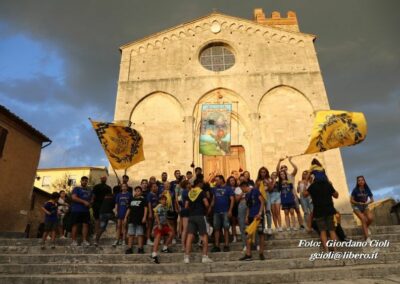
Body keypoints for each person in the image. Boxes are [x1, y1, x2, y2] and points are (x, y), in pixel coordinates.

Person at [303, 177, 339, 251]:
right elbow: (336, 195)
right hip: (329, 209)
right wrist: (331, 185)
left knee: (322, 231)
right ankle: (335, 250)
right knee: (332, 230)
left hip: (318, 210)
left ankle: (326, 250)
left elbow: (304, 194)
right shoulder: (328, 185)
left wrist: (305, 185)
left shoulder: (312, 186)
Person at [184, 179, 213, 263]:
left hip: (191, 216)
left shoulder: (189, 192)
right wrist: (207, 210)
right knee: (204, 235)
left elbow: (186, 206)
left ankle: (186, 257)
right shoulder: (201, 192)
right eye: (202, 183)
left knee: (190, 236)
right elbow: (206, 203)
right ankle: (204, 256)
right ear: (199, 183)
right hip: (200, 215)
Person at [239, 184, 266, 261]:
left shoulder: (255, 191)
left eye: (242, 189)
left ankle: (261, 253)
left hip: (258, 216)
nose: (242, 191)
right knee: (248, 234)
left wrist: (260, 213)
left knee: (261, 234)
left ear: (245, 186)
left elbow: (262, 201)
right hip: (251, 216)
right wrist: (247, 216)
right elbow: (248, 207)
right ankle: (248, 254)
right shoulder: (247, 195)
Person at [277, 157, 304, 230]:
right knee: (287, 212)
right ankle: (289, 226)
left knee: (297, 210)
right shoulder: (280, 177)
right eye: (282, 168)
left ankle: (301, 225)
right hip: (285, 197)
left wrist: (290, 161)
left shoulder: (291, 175)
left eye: (285, 167)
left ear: (287, 168)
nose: (283, 168)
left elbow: (296, 168)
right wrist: (279, 162)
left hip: (293, 195)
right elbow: (277, 170)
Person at [210, 175, 234, 252]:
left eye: (217, 180)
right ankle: (217, 245)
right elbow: (213, 199)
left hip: (225, 211)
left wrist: (230, 210)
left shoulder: (228, 188)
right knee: (216, 228)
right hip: (216, 211)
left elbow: (232, 199)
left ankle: (226, 245)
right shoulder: (215, 189)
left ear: (221, 180)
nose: (215, 182)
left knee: (226, 228)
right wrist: (210, 208)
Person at [125, 186, 148, 254]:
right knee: (131, 234)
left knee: (140, 234)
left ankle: (140, 248)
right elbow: (129, 209)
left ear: (141, 192)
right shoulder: (132, 200)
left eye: (139, 191)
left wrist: (144, 217)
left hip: (139, 220)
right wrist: (125, 217)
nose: (137, 192)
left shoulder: (143, 200)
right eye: (136, 191)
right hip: (132, 219)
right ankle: (129, 248)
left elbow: (145, 209)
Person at [350, 176, 374, 242]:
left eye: (362, 180)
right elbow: (351, 200)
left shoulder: (367, 189)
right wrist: (358, 202)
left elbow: (372, 200)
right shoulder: (355, 190)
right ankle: (367, 238)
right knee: (363, 219)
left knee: (370, 218)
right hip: (356, 207)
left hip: (365, 206)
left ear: (364, 181)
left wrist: (368, 202)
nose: (361, 181)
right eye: (359, 180)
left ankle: (365, 227)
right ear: (357, 182)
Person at [70, 176, 93, 246]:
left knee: (85, 225)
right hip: (76, 210)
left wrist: (90, 203)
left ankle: (84, 241)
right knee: (75, 225)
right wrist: (84, 202)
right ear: (81, 181)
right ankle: (73, 241)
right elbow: (73, 197)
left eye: (86, 181)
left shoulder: (89, 190)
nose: (85, 182)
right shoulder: (77, 188)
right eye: (84, 180)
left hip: (85, 211)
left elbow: (91, 198)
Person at [152, 195, 174, 263]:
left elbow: (166, 217)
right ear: (160, 200)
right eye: (162, 200)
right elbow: (156, 215)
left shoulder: (166, 207)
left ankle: (165, 247)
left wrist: (169, 225)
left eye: (165, 199)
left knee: (171, 233)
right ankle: (154, 255)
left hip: (164, 225)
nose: (164, 201)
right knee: (158, 237)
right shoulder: (159, 206)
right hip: (158, 225)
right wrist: (158, 224)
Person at [256, 167, 273, 235]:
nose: (263, 173)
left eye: (264, 172)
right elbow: (256, 189)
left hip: (267, 195)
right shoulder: (257, 180)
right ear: (259, 173)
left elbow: (271, 189)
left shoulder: (268, 179)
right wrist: (258, 184)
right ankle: (263, 227)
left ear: (266, 173)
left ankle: (269, 228)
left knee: (268, 211)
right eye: (261, 172)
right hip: (260, 196)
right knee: (261, 213)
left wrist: (268, 183)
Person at [235, 181, 250, 250]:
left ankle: (256, 244)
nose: (242, 189)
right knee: (242, 226)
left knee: (252, 226)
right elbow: (237, 199)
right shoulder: (238, 189)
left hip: (250, 206)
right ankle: (245, 245)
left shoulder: (251, 189)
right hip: (241, 206)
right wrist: (242, 193)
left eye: (242, 188)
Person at [179, 180, 190, 252]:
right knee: (185, 229)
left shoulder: (184, 191)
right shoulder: (186, 192)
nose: (189, 184)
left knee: (186, 229)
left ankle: (185, 244)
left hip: (185, 210)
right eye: (188, 184)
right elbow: (186, 202)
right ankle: (183, 245)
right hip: (186, 211)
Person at [227, 176, 239, 242]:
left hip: (237, 206)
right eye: (231, 180)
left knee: (235, 221)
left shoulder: (238, 188)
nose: (232, 181)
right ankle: (232, 236)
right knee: (231, 222)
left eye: (233, 180)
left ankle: (235, 236)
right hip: (229, 206)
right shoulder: (227, 189)